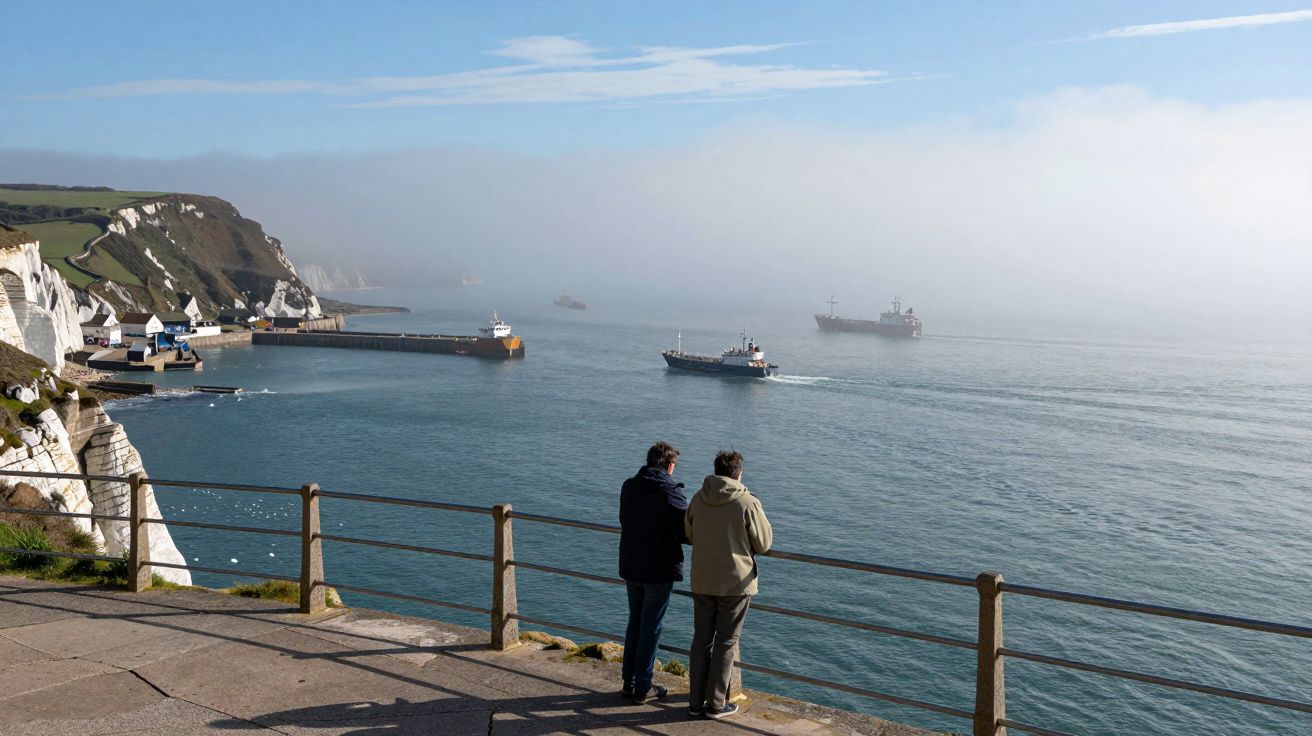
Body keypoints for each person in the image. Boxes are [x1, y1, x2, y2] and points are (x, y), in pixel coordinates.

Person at [684, 450, 772, 720]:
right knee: (725, 643)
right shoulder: (747, 502)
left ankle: (695, 702)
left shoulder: (698, 499)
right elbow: (764, 544)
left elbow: (689, 534)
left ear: (715, 471)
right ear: (739, 473)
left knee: (701, 641)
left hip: (702, 579)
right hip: (735, 583)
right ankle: (716, 704)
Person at [618, 441, 688, 703]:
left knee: (635, 622)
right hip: (658, 568)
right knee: (651, 626)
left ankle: (629, 681)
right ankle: (643, 686)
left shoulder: (629, 486)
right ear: (669, 465)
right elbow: (686, 529)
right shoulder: (670, 492)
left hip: (632, 565)